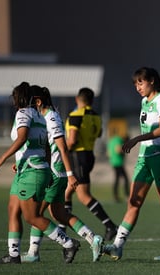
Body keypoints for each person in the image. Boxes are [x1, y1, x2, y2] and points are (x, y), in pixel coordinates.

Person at [0, 82, 80, 264]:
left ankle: (69, 243)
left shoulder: (23, 113)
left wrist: (3, 158)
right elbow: (46, 146)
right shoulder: (39, 116)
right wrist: (42, 165)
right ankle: (14, 255)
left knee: (32, 217)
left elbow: (22, 138)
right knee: (12, 209)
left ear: (20, 98)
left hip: (32, 171)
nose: (13, 101)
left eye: (15, 97)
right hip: (29, 169)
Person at [102, 67, 160, 261]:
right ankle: (118, 246)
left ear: (152, 81)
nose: (138, 87)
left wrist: (137, 139)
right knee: (133, 202)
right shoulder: (144, 101)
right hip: (144, 158)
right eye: (135, 84)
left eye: (141, 82)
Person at [21, 86, 104, 263]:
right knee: (59, 214)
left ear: (38, 101)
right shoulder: (46, 116)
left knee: (35, 214)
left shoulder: (51, 117)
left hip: (55, 171)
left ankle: (34, 252)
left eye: (30, 103)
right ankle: (93, 239)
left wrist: (69, 173)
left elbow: (63, 147)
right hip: (54, 170)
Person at [63, 87, 118, 241]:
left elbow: (72, 140)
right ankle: (63, 230)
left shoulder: (75, 116)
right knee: (66, 193)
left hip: (77, 157)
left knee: (83, 196)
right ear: (92, 101)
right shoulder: (96, 116)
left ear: (77, 99)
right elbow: (99, 133)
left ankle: (110, 225)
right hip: (89, 155)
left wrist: (60, 150)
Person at [107, 131, 130, 202]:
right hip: (118, 162)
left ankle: (116, 196)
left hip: (113, 162)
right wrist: (124, 151)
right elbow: (118, 150)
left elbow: (108, 153)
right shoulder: (119, 140)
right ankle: (127, 195)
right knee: (125, 179)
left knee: (117, 179)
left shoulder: (111, 140)